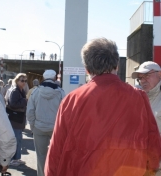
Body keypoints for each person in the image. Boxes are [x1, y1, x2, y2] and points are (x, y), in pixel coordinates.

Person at [44, 38, 161, 176]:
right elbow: (153, 144)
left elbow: (56, 150)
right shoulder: (139, 97)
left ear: (87, 70)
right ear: (117, 65)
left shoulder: (71, 100)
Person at [27, 70, 65, 176]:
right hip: (55, 129)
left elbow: (30, 111)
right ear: (54, 78)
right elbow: (65, 112)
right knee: (56, 155)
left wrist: (33, 126)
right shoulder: (61, 92)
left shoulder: (35, 92)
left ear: (43, 78)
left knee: (41, 156)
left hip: (39, 128)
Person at [132, 62, 161, 133]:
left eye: (147, 75)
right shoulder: (135, 97)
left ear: (159, 74)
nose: (142, 81)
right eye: (140, 78)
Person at [8, 73, 28, 167]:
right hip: (15, 119)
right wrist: (24, 101)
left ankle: (16, 158)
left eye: (25, 80)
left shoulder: (20, 90)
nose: (24, 82)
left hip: (18, 119)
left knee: (18, 139)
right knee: (15, 139)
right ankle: (13, 159)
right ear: (17, 81)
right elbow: (13, 104)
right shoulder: (15, 91)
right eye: (22, 80)